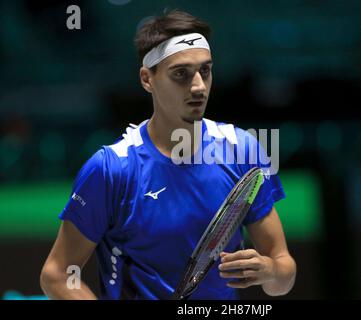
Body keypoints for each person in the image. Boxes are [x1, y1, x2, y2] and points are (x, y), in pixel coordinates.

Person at [40, 10, 296, 300]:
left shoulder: (243, 150)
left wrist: (270, 271)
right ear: (147, 79)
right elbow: (57, 275)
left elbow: (283, 273)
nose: (198, 86)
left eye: (206, 70)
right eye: (181, 74)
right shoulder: (111, 169)